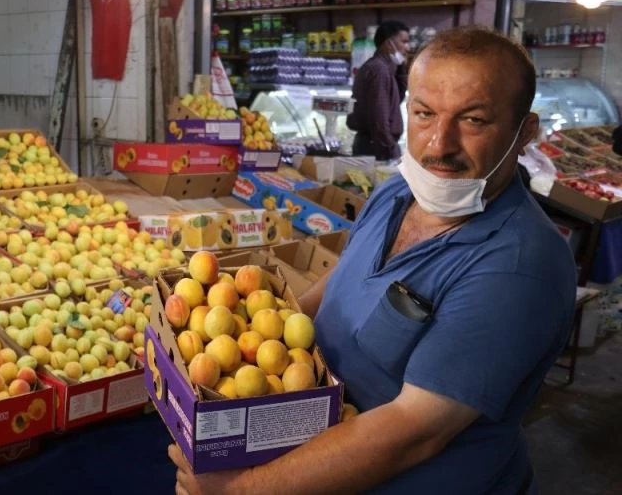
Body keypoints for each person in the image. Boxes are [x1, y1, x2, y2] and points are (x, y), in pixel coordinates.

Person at [170, 27, 576, 494]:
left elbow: (412, 433)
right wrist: (244, 337)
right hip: (314, 454)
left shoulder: (520, 266)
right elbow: (341, 281)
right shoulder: (397, 192)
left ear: (524, 131)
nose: (437, 145)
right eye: (424, 114)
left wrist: (239, 490)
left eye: (474, 120)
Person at [348, 21, 410, 161]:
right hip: (376, 148)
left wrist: (401, 68)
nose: (408, 48)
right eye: (404, 42)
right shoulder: (379, 70)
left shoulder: (386, 68)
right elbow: (379, 119)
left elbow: (395, 101)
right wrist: (392, 151)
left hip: (376, 145)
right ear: (389, 43)